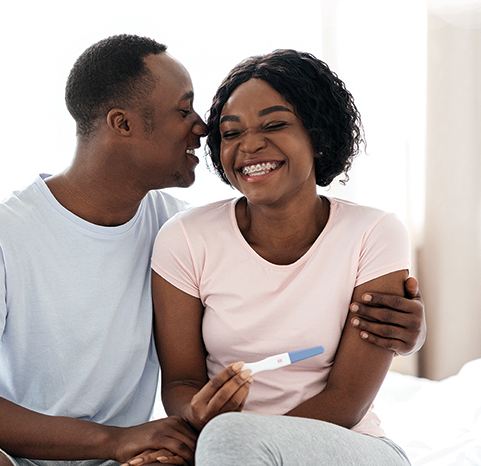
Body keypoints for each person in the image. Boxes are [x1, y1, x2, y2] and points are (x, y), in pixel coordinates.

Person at [0, 37, 425, 466]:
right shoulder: (1, 235)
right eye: (186, 111)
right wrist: (122, 439)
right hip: (13, 451)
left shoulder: (170, 224)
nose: (203, 127)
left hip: (141, 456)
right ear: (123, 124)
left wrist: (408, 332)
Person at [150, 49, 416, 466]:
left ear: (320, 138)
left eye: (274, 125)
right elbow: (181, 384)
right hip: (225, 448)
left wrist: (240, 441)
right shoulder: (185, 238)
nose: (250, 145)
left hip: (346, 443)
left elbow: (346, 403)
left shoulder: (374, 233)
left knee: (233, 440)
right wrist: (196, 413)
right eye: (231, 133)